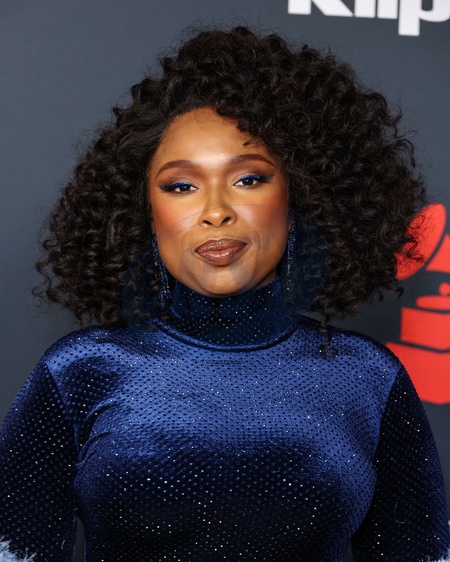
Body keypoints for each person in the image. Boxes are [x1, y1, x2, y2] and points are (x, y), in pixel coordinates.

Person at [0, 26, 449, 562]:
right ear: (145, 212)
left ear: (301, 194)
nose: (215, 211)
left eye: (249, 179)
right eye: (181, 186)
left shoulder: (369, 377)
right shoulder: (79, 371)